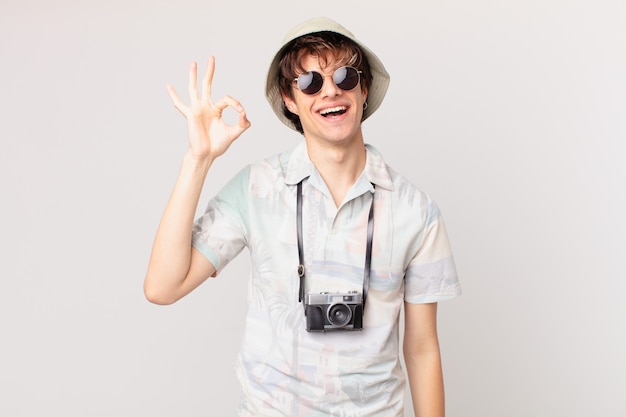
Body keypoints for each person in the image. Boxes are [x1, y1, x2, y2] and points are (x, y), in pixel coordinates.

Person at [144, 16, 461, 417]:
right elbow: (162, 287)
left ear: (363, 89)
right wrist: (198, 160)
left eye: (345, 76)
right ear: (289, 99)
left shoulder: (416, 211)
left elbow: (421, 348)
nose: (330, 90)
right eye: (311, 82)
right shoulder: (256, 188)